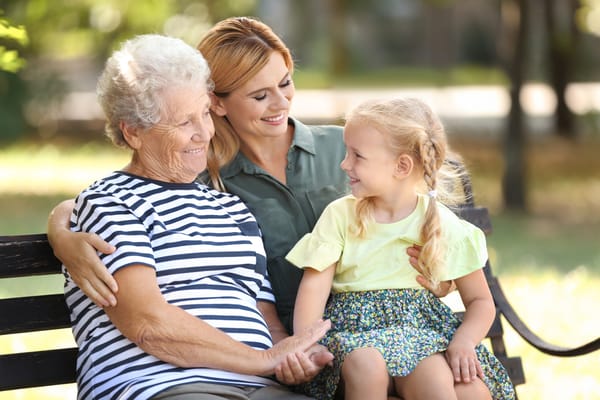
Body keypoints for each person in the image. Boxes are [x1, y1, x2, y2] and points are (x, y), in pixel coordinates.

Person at [47, 16, 454, 394]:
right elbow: (145, 310)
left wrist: (286, 354)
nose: (280, 103)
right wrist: (61, 230)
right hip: (240, 372)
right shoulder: (204, 184)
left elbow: (426, 209)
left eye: (287, 83)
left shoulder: (332, 156)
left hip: (363, 339)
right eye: (259, 95)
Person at [62, 33, 333, 400]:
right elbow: (148, 325)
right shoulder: (111, 203)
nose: (203, 133)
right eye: (182, 123)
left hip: (259, 388)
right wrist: (263, 360)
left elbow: (266, 321)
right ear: (134, 131)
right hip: (160, 385)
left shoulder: (231, 207)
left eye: (204, 113)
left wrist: (293, 358)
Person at [286, 98, 516, 400]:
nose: (344, 164)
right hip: (355, 338)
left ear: (402, 166)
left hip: (418, 338)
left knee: (437, 381)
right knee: (366, 365)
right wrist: (307, 344)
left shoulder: (438, 222)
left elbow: (480, 301)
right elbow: (314, 289)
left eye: (357, 156)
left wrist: (464, 341)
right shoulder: (341, 215)